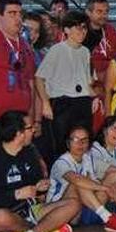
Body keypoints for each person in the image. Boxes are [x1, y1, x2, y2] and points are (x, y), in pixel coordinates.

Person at [0, 111, 79, 232]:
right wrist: (16, 194)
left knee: (73, 204)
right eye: (30, 127)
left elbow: (37, 185)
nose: (34, 130)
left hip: (29, 210)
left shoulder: (29, 152)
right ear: (18, 133)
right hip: (3, 213)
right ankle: (45, 230)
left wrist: (41, 185)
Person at [48, 126, 116, 232]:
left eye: (84, 140)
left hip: (89, 208)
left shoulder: (89, 158)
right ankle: (108, 219)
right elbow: (77, 180)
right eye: (76, 140)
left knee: (114, 175)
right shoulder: (61, 162)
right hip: (65, 213)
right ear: (68, 143)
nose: (80, 143)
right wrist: (106, 188)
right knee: (79, 183)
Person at [35, 11, 98, 160]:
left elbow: (87, 81)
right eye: (77, 27)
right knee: (61, 146)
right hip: (62, 103)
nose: (82, 31)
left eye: (84, 27)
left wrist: (94, 97)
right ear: (67, 30)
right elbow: (39, 78)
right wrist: (45, 103)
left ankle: (81, 176)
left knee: (83, 145)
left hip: (82, 102)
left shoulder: (85, 52)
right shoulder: (57, 50)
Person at [0, 0, 36, 142]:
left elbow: (30, 82)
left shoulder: (25, 43)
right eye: (12, 13)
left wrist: (31, 116)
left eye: (20, 14)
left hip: (20, 117)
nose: (18, 18)